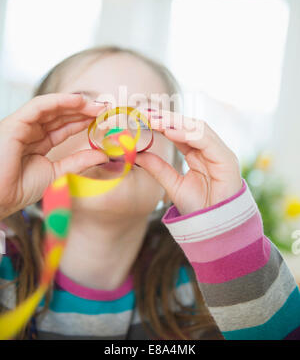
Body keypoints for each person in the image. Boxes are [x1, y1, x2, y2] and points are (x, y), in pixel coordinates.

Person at [0, 45, 299, 340]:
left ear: (177, 167)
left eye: (143, 118)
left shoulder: (205, 284)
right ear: (33, 149)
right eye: (82, 112)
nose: (116, 131)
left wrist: (223, 232)